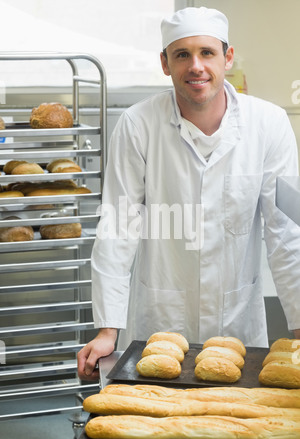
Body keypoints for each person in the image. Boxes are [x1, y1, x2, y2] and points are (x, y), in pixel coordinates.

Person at [77, 6, 300, 381]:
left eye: (207, 53)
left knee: (235, 431)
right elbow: (118, 228)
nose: (196, 66)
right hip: (160, 323)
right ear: (165, 63)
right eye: (182, 54)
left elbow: (288, 232)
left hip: (238, 325)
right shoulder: (137, 125)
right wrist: (107, 329)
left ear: (227, 58)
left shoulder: (270, 124)